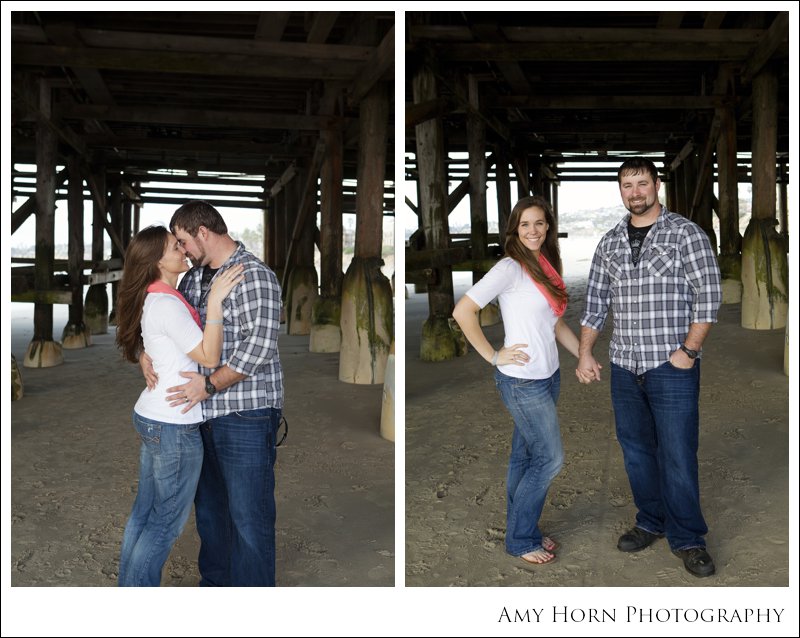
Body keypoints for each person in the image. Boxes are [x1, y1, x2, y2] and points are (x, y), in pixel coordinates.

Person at [577, 157, 722, 578]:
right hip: (624, 364)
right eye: (627, 185)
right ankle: (650, 521)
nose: (635, 192)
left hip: (670, 364)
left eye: (642, 183)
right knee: (637, 451)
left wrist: (689, 351)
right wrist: (587, 352)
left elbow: (708, 295)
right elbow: (596, 304)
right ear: (620, 191)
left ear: (657, 185)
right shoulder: (609, 242)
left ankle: (688, 538)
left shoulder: (685, 234)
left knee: (677, 453)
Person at [141, 200, 284, 587]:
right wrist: (144, 353)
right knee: (210, 514)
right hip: (199, 417)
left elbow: (259, 348)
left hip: (246, 415)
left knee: (249, 517)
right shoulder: (193, 280)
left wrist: (208, 384)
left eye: (184, 241)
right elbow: (169, 328)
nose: (183, 251)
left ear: (203, 232)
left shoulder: (255, 276)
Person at [452, 195, 581, 566]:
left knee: (525, 458)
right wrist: (493, 354)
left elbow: (554, 323)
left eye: (539, 223)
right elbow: (464, 310)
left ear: (548, 227)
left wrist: (582, 355)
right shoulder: (509, 268)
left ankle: (520, 527)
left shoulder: (545, 264)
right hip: (522, 381)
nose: (533, 230)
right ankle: (521, 538)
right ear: (514, 230)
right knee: (550, 459)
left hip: (549, 376)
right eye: (525, 224)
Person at [115, 225, 244, 586]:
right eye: (175, 247)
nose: (183, 250)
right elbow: (209, 355)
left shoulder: (152, 296)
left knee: (144, 513)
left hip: (153, 415)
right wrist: (216, 301)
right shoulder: (167, 303)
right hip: (173, 423)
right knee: (163, 524)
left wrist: (144, 355)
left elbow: (151, 342)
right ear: (157, 260)